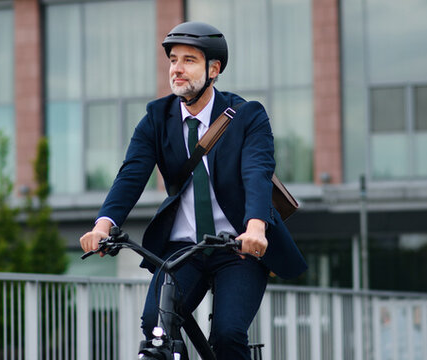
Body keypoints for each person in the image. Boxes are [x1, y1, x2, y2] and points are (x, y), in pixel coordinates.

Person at [79, 21, 307, 359]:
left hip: (238, 248)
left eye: (189, 60)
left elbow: (257, 172)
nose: (177, 69)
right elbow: (131, 174)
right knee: (156, 326)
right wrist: (103, 224)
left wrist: (256, 227)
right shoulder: (157, 117)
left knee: (228, 335)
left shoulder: (247, 116)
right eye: (173, 60)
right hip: (185, 248)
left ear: (213, 69)